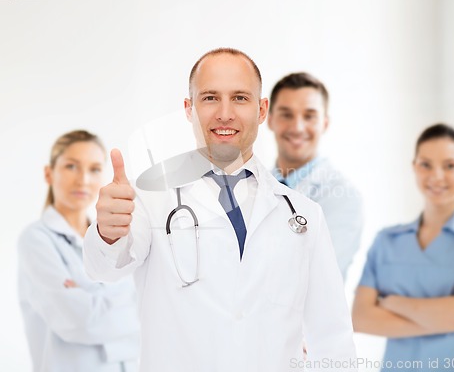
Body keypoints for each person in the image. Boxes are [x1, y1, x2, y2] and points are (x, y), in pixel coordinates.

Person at [83, 48, 357, 372]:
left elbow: (332, 338)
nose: (225, 114)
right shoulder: (149, 196)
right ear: (189, 108)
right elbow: (106, 268)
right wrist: (107, 233)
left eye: (240, 98)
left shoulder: (303, 214)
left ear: (261, 109)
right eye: (210, 98)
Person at [352, 124, 454, 371]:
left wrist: (392, 303)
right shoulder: (386, 241)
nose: (437, 176)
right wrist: (447, 319)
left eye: (450, 165)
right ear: (414, 167)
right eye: (426, 164)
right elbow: (360, 318)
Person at [18, 130, 140, 372]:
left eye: (94, 169)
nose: (83, 179)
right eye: (71, 166)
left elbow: (150, 311)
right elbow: (80, 321)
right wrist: (135, 305)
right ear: (48, 173)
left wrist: (94, 301)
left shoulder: (115, 239)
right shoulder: (36, 240)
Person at [267, 72, 363, 279]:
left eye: (309, 116)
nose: (297, 127)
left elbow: (317, 277)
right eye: (286, 114)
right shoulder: (250, 188)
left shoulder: (344, 198)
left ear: (325, 123)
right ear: (270, 119)